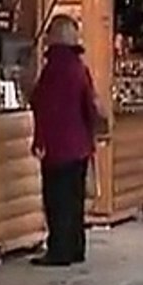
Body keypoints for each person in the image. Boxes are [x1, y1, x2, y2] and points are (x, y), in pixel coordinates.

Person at [30, 14, 101, 266]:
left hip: (57, 147)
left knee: (56, 200)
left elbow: (40, 104)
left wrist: (39, 140)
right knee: (75, 200)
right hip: (79, 146)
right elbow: (89, 105)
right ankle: (76, 247)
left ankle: (58, 250)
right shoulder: (79, 69)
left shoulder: (51, 71)